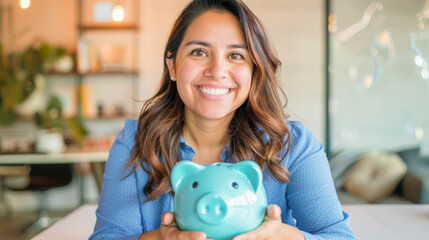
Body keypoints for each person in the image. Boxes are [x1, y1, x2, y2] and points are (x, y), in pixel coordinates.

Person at [90, 0, 355, 239]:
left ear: (254, 71)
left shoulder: (293, 145)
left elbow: (338, 236)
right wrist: (161, 239)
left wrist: (287, 237)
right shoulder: (135, 143)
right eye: (199, 52)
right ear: (172, 65)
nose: (217, 71)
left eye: (236, 55)